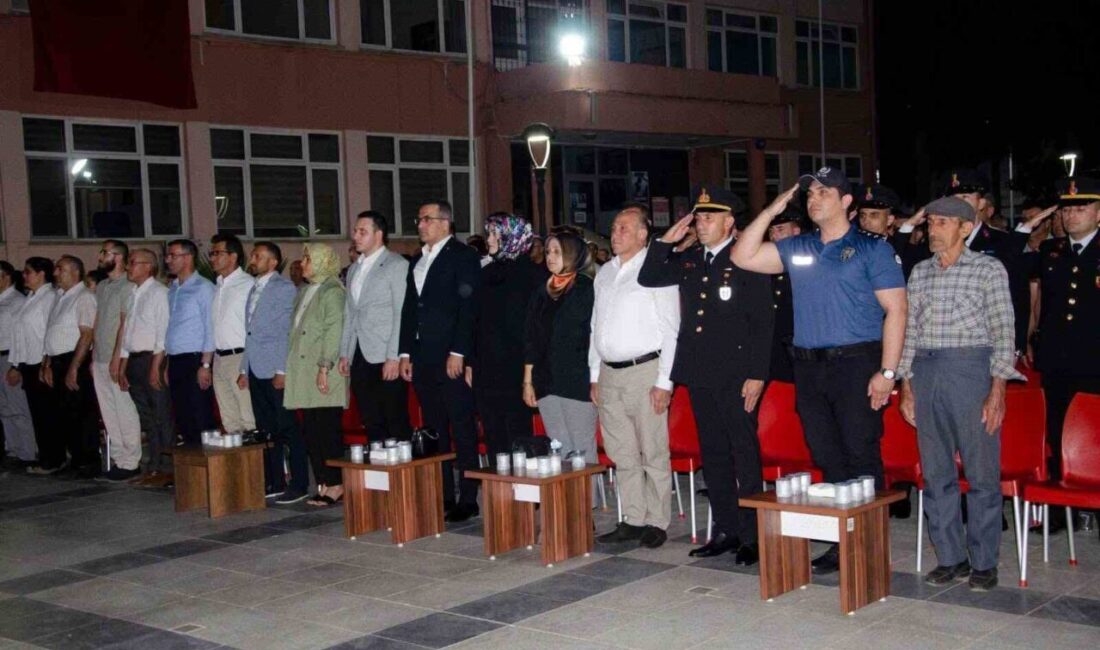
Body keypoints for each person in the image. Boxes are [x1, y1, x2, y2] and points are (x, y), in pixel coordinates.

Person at [731, 167, 907, 574]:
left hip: (856, 363)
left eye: (824, 192)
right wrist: (773, 206)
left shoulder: (871, 248)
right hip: (809, 367)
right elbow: (743, 256)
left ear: (847, 201)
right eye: (809, 193)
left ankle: (868, 545)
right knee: (827, 456)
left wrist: (887, 371)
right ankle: (842, 540)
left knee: (860, 453)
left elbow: (896, 309)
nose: (813, 199)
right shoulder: (800, 247)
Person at [639, 185, 773, 562]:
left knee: (743, 454)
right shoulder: (690, 258)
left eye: (709, 217)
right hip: (699, 371)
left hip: (736, 373)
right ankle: (726, 530)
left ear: (730, 222)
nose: (700, 223)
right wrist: (667, 239)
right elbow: (649, 276)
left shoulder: (747, 258)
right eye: (698, 216)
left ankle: (752, 536)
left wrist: (757, 373)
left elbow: (763, 321)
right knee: (713, 454)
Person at [897, 197, 1023, 592]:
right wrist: (906, 385)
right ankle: (950, 557)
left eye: (943, 223)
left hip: (971, 371)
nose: (933, 229)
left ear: (965, 228)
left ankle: (984, 561)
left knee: (982, 472)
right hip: (927, 370)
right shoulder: (920, 272)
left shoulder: (987, 269)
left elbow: (1005, 331)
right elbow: (909, 332)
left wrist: (997, 389)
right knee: (936, 474)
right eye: (931, 222)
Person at [591, 203, 680, 549]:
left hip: (645, 371)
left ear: (644, 234)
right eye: (614, 229)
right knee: (622, 452)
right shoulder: (605, 273)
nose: (615, 235)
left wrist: (664, 381)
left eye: (624, 228)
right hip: (610, 374)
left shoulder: (658, 270)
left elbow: (672, 330)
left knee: (653, 450)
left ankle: (657, 520)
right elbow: (595, 327)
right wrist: (594, 373)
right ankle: (632, 517)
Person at [399, 200, 482, 523]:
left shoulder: (463, 256)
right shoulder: (418, 259)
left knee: (461, 424)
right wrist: (405, 352)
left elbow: (469, 308)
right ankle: (445, 493)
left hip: (450, 354)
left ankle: (469, 495)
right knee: (435, 427)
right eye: (418, 219)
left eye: (426, 219)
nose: (419, 224)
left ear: (445, 223)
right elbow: (410, 308)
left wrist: (459, 351)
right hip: (422, 355)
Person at [1032, 177, 1100, 520]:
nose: (1072, 215)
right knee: (1058, 432)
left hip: (1095, 361)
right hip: (1057, 360)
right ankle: (1062, 510)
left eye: (1082, 207)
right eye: (1068, 208)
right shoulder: (1051, 251)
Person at [524, 231, 597, 495]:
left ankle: (585, 507)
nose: (551, 257)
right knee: (558, 445)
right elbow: (531, 338)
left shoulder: (586, 289)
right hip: (545, 379)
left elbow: (592, 335)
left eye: (557, 252)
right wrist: (528, 380)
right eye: (548, 252)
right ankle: (565, 504)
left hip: (576, 377)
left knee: (581, 445)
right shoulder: (541, 291)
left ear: (573, 254)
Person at [240, 242, 309, 504]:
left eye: (259, 256)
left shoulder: (284, 288)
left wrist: (282, 369)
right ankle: (275, 480)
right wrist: (243, 367)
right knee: (266, 429)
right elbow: (250, 333)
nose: (253, 259)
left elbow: (286, 332)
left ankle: (299, 482)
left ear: (273, 262)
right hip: (256, 366)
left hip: (274, 368)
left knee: (288, 427)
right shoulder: (253, 288)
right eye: (253, 255)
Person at [473, 212, 544, 460]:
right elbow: (477, 323)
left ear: (511, 237)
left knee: (518, 441)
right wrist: (473, 363)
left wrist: (530, 375)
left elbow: (535, 330)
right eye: (488, 233)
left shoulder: (533, 276)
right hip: (487, 371)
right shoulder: (485, 273)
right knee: (494, 440)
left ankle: (522, 497)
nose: (489, 239)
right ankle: (499, 497)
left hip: (517, 371)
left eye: (494, 233)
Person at [339, 211, 410, 445]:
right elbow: (350, 313)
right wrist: (345, 353)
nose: (356, 236)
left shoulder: (396, 264)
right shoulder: (353, 269)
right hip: (360, 352)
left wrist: (394, 356)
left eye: (363, 232)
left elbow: (401, 312)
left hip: (384, 352)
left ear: (378, 234)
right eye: (355, 231)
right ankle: (379, 473)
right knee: (370, 418)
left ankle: (402, 474)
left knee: (394, 416)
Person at [285, 243, 348, 507]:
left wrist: (325, 366)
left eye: (308, 258)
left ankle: (336, 484)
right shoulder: (304, 291)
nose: (302, 263)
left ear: (322, 262)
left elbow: (334, 331)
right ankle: (322, 481)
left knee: (326, 429)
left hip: (324, 370)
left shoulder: (332, 291)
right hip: (304, 370)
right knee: (311, 430)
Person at [119, 249, 173, 485]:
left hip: (153, 359)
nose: (128, 267)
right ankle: (153, 465)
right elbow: (127, 333)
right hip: (134, 359)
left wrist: (156, 366)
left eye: (132, 263)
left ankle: (168, 467)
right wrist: (122, 365)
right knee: (147, 417)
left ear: (149, 267)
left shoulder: (159, 293)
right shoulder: (133, 294)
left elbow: (163, 332)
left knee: (162, 415)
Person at [43, 255, 100, 478]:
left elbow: (86, 334)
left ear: (76, 272)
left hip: (75, 359)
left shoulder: (84, 297)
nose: (55, 273)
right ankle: (74, 459)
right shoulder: (60, 297)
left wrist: (74, 367)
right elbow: (52, 332)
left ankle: (86, 461)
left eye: (60, 269)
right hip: (57, 360)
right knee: (64, 413)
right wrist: (46, 363)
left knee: (81, 412)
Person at [90, 241, 141, 481]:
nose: (100, 256)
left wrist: (116, 358)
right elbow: (99, 321)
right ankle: (119, 460)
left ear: (119, 257)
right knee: (108, 411)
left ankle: (131, 462)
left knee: (124, 409)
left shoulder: (128, 286)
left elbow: (124, 324)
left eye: (104, 252)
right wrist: (94, 355)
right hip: (99, 356)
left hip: (116, 357)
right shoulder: (102, 285)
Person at [7, 258, 57, 473]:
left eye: (28, 272)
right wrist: (16, 364)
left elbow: (48, 333)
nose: (24, 276)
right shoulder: (31, 297)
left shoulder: (49, 298)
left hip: (41, 361)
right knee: (37, 413)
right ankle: (45, 456)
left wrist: (47, 363)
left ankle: (52, 459)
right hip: (28, 361)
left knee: (47, 413)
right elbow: (19, 335)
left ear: (41, 274)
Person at [165, 239, 216, 446]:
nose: (168, 260)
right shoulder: (173, 288)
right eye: (168, 256)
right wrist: (168, 363)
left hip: (195, 359)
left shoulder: (204, 288)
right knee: (183, 417)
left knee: (200, 414)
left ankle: (211, 470)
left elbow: (210, 328)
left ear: (188, 258)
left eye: (173, 255)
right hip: (176, 359)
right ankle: (192, 473)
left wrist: (205, 365)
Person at [209, 234, 256, 434]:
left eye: (217, 253)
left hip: (240, 356)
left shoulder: (248, 284)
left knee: (248, 417)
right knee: (229, 419)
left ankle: (256, 464)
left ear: (233, 256)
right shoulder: (218, 285)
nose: (212, 258)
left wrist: (247, 363)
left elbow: (254, 325)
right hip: (218, 358)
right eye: (211, 253)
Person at [0, 261, 35, 466]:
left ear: (6, 277)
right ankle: (13, 449)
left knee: (18, 407)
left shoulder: (17, 302)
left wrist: (17, 366)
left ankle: (28, 451)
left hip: (10, 357)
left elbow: (21, 337)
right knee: (4, 408)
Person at [767, 206, 805, 383]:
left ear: (796, 231)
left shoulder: (806, 259)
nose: (775, 236)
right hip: (771, 346)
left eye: (780, 229)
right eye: (771, 231)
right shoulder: (765, 262)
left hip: (798, 346)